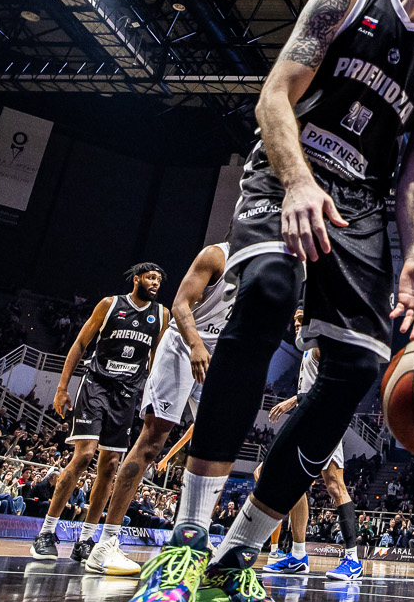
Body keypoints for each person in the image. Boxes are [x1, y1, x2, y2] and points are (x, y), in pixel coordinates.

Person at [119, 0, 414, 602]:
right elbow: (272, 99)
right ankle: (183, 550)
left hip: (359, 207)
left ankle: (234, 562)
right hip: (285, 177)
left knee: (357, 365)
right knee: (262, 296)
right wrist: (294, 182)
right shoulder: (343, 1)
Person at [77, 244, 227, 576]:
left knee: (216, 446)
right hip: (185, 343)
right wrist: (197, 343)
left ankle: (193, 536)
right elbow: (180, 304)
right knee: (151, 442)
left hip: (221, 351)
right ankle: (105, 545)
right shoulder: (216, 255)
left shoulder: (267, 263)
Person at [36, 264, 167, 564]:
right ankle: (46, 532)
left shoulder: (161, 315)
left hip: (126, 395)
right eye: (150, 277)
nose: (155, 282)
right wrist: (61, 388)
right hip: (96, 386)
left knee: (109, 467)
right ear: (136, 279)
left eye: (159, 279)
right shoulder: (110, 304)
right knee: (83, 457)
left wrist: (153, 399)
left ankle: (86, 539)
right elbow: (81, 343)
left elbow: (156, 360)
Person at [263, 343, 364, 581]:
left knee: (334, 486)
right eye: (295, 320)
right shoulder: (308, 347)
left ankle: (353, 560)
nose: (297, 323)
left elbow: (333, 389)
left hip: (327, 422)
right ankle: (298, 556)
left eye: (301, 318)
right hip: (308, 421)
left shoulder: (323, 347)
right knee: (295, 484)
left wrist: (293, 400)